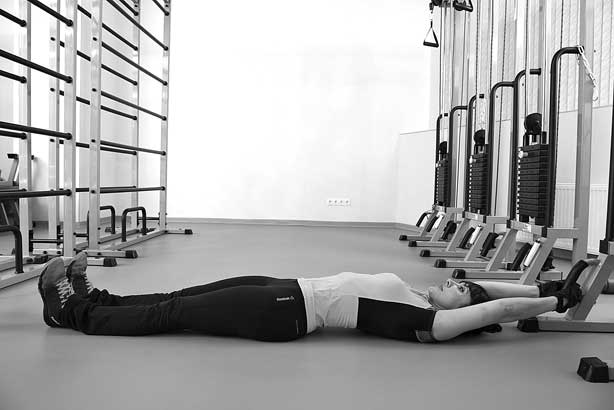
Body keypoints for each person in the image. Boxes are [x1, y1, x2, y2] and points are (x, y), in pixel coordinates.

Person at [37, 253, 582, 343]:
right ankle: (97, 297)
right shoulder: (424, 295)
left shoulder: (429, 323)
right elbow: (492, 291)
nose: (455, 284)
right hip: (287, 288)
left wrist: (551, 306)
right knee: (181, 295)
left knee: (174, 314)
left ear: (461, 314)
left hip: (286, 314)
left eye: (459, 292)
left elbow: (496, 307)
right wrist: (545, 286)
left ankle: (73, 314)